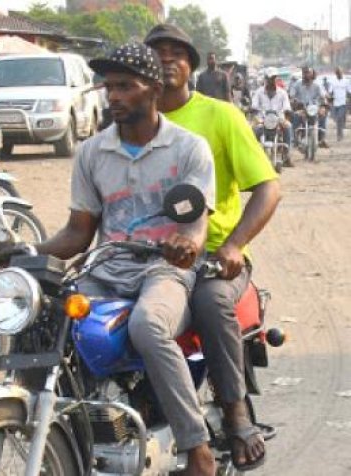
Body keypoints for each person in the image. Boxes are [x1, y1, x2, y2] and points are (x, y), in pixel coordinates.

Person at [0, 43, 218, 476]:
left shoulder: (189, 148)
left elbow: (196, 226)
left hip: (165, 269)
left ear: (153, 89)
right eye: (109, 87)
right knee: (43, 318)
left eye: (124, 87)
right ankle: (60, 428)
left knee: (148, 325)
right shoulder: (93, 152)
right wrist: (28, 253)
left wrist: (185, 244)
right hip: (104, 268)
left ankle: (197, 448)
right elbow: (79, 231)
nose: (112, 95)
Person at [145, 23, 281, 472]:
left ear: (192, 65)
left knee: (209, 298)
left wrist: (236, 244)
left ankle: (236, 415)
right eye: (157, 52)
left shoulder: (221, 117)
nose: (167, 60)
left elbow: (267, 188)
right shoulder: (131, 121)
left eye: (176, 53)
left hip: (213, 254)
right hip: (147, 257)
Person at [251, 68, 293, 166]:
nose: (272, 81)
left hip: (278, 120)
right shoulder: (258, 92)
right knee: (253, 130)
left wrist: (286, 118)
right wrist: (254, 112)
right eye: (270, 78)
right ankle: (253, 156)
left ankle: (286, 155)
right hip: (262, 120)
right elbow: (254, 106)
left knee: (288, 127)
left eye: (274, 78)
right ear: (265, 79)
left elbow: (287, 107)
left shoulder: (283, 93)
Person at [290, 66, 328, 148]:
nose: (306, 75)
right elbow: (292, 95)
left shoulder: (317, 85)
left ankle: (322, 137)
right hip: (301, 108)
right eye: (305, 73)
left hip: (314, 109)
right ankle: (294, 138)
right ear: (302, 74)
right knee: (295, 116)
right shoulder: (297, 84)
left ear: (312, 74)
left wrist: (324, 103)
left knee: (323, 114)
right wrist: (294, 100)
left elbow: (323, 95)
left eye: (308, 73)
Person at [328, 67, 350, 141]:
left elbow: (349, 91)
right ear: (336, 74)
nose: (339, 74)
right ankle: (339, 134)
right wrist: (329, 98)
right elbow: (330, 91)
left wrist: (348, 99)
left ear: (342, 73)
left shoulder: (346, 81)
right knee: (337, 120)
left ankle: (339, 135)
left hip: (343, 103)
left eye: (340, 73)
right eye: (338, 73)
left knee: (340, 118)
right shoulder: (333, 81)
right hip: (335, 103)